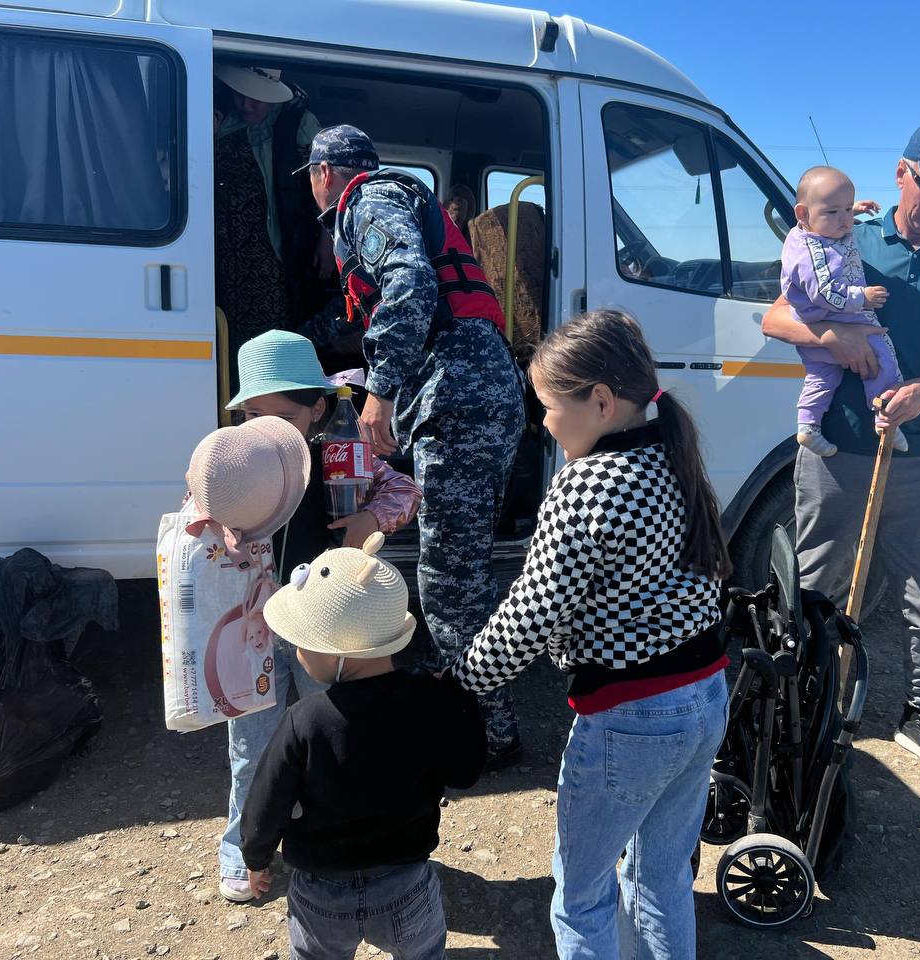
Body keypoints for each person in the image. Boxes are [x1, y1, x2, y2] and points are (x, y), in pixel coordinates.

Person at [445, 309, 731, 959]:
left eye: (547, 407)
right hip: (705, 695)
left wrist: (459, 682)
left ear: (600, 402)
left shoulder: (586, 485)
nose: (540, 422)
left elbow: (530, 613)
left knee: (581, 895)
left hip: (629, 717)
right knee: (660, 876)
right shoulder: (670, 452)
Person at [762, 116, 920, 783]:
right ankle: (801, 701)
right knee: (818, 586)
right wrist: (833, 342)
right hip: (839, 452)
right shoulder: (845, 232)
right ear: (903, 172)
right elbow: (775, 315)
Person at [300, 125, 526, 764]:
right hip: (468, 393)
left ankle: (489, 733)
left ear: (325, 173)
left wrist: (381, 388)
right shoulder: (386, 204)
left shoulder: (366, 203)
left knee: (450, 579)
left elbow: (411, 287)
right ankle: (450, 681)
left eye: (312, 176)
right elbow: (363, 311)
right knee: (451, 565)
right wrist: (298, 339)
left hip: (459, 398)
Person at [217, 329, 423, 902]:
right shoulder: (237, 461)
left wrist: (372, 519)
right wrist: (214, 526)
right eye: (253, 414)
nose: (269, 428)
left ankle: (334, 834)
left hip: (326, 628)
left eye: (283, 414)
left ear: (317, 407)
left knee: (332, 732)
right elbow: (198, 500)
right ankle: (242, 845)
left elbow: (405, 487)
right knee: (251, 745)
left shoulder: (342, 458)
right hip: (253, 627)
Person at [240, 534, 487, 959]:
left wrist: (256, 855)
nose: (298, 652)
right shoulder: (431, 699)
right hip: (406, 883)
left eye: (304, 642)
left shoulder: (306, 720)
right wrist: (459, 702)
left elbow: (267, 802)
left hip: (321, 893)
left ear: (337, 653)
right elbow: (465, 771)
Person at [213, 65, 330, 385]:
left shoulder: (299, 124)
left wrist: (326, 239)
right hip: (227, 259)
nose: (245, 105)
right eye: (240, 95)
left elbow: (327, 184)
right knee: (230, 346)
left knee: (273, 344)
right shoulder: (219, 121)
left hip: (278, 256)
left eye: (255, 99)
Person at [782, 165, 907, 456]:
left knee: (822, 377)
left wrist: (853, 211)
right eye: (833, 212)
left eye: (848, 210)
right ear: (802, 214)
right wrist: (861, 297)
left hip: (810, 326)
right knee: (884, 356)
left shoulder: (805, 233)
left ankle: (808, 426)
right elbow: (824, 292)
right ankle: (885, 419)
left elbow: (832, 215)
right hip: (836, 316)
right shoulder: (811, 252)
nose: (845, 221)